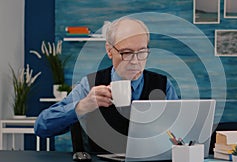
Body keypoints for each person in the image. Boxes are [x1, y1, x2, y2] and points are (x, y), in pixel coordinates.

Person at [34, 17, 178, 140]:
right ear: (109, 51)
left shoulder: (164, 85)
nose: (135, 61)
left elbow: (179, 133)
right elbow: (41, 127)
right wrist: (83, 106)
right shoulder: (89, 85)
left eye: (142, 52)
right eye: (126, 53)